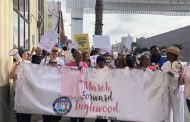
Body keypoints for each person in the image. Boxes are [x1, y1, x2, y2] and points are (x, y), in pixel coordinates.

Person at [161, 46, 186, 122]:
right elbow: (161, 74)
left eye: (168, 54)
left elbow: (183, 80)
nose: (166, 55)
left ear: (173, 55)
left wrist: (173, 75)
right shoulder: (166, 63)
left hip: (177, 89)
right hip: (166, 88)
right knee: (167, 109)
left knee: (177, 109)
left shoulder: (182, 64)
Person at [40, 47, 63, 122]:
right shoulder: (44, 60)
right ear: (50, 52)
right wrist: (47, 66)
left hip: (56, 87)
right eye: (53, 51)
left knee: (56, 106)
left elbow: (63, 73)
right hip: (46, 87)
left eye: (56, 51)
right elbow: (40, 72)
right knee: (47, 107)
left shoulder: (61, 61)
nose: (55, 53)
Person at [9, 47, 31, 122]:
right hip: (19, 92)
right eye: (26, 53)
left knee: (27, 113)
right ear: (22, 54)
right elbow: (11, 76)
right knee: (20, 114)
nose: (27, 54)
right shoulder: (15, 64)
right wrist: (16, 65)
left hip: (27, 92)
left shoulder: (29, 63)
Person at [66, 48, 87, 122]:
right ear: (74, 56)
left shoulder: (84, 64)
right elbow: (66, 76)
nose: (80, 56)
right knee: (73, 108)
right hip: (73, 90)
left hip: (82, 90)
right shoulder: (69, 65)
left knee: (82, 108)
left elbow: (87, 76)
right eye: (78, 55)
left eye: (81, 55)